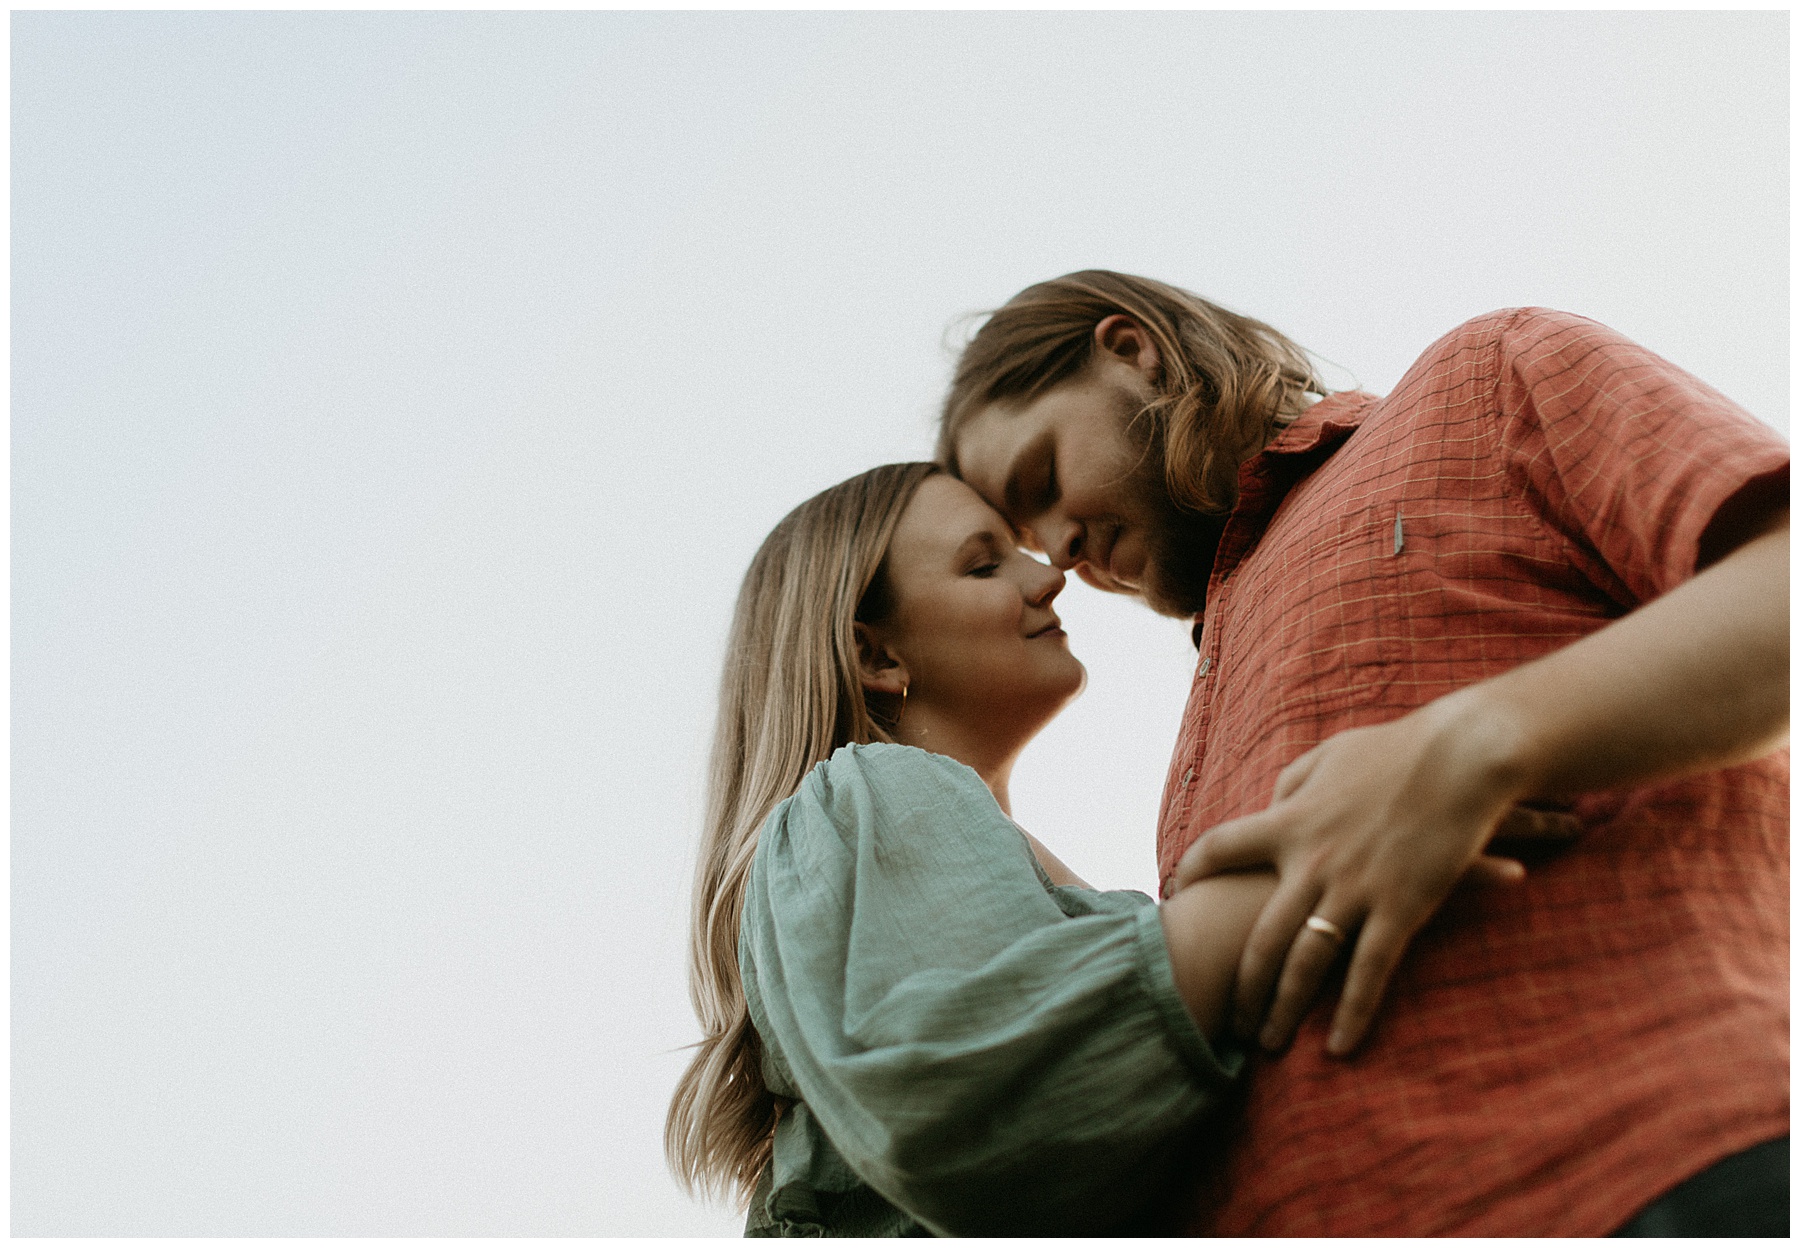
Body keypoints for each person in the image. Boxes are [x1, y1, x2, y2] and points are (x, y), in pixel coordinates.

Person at [940, 270, 1789, 1236]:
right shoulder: (1201, 706)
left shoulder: (1484, 376)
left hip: (1660, 1172)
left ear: (1132, 351)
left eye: (1040, 480)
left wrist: (1472, 746)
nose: (1060, 552)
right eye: (1021, 540)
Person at [662, 462, 1563, 1236]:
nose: (1046, 575)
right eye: (984, 565)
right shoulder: (876, 786)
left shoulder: (958, 845)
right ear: (874, 655)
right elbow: (962, 1094)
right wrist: (1336, 850)